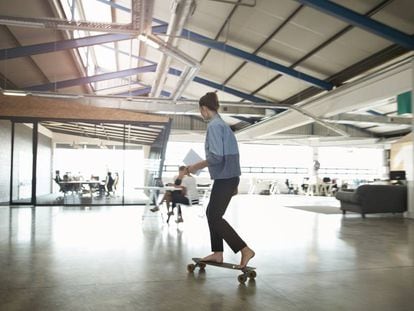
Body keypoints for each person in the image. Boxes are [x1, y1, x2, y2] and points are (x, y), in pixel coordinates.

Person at [187, 92, 255, 269]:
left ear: (204, 109)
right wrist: (235, 181)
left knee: (215, 216)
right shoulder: (223, 125)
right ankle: (217, 253)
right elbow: (229, 156)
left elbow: (216, 157)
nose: (202, 114)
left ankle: (244, 249)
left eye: (201, 111)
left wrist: (195, 166)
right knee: (212, 214)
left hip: (226, 178)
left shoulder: (215, 126)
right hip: (228, 177)